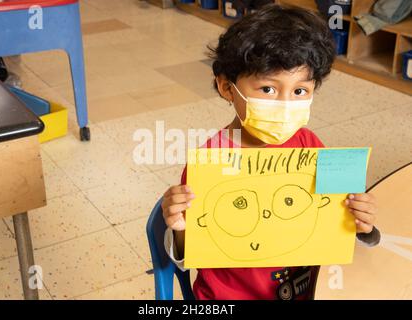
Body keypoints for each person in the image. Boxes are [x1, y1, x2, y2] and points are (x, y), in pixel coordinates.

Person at [161, 4, 380, 300]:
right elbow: (191, 252)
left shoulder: (309, 145)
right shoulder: (210, 162)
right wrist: (179, 228)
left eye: (299, 91)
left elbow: (341, 224)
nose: (285, 104)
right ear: (227, 87)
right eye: (267, 89)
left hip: (307, 291)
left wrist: (362, 222)